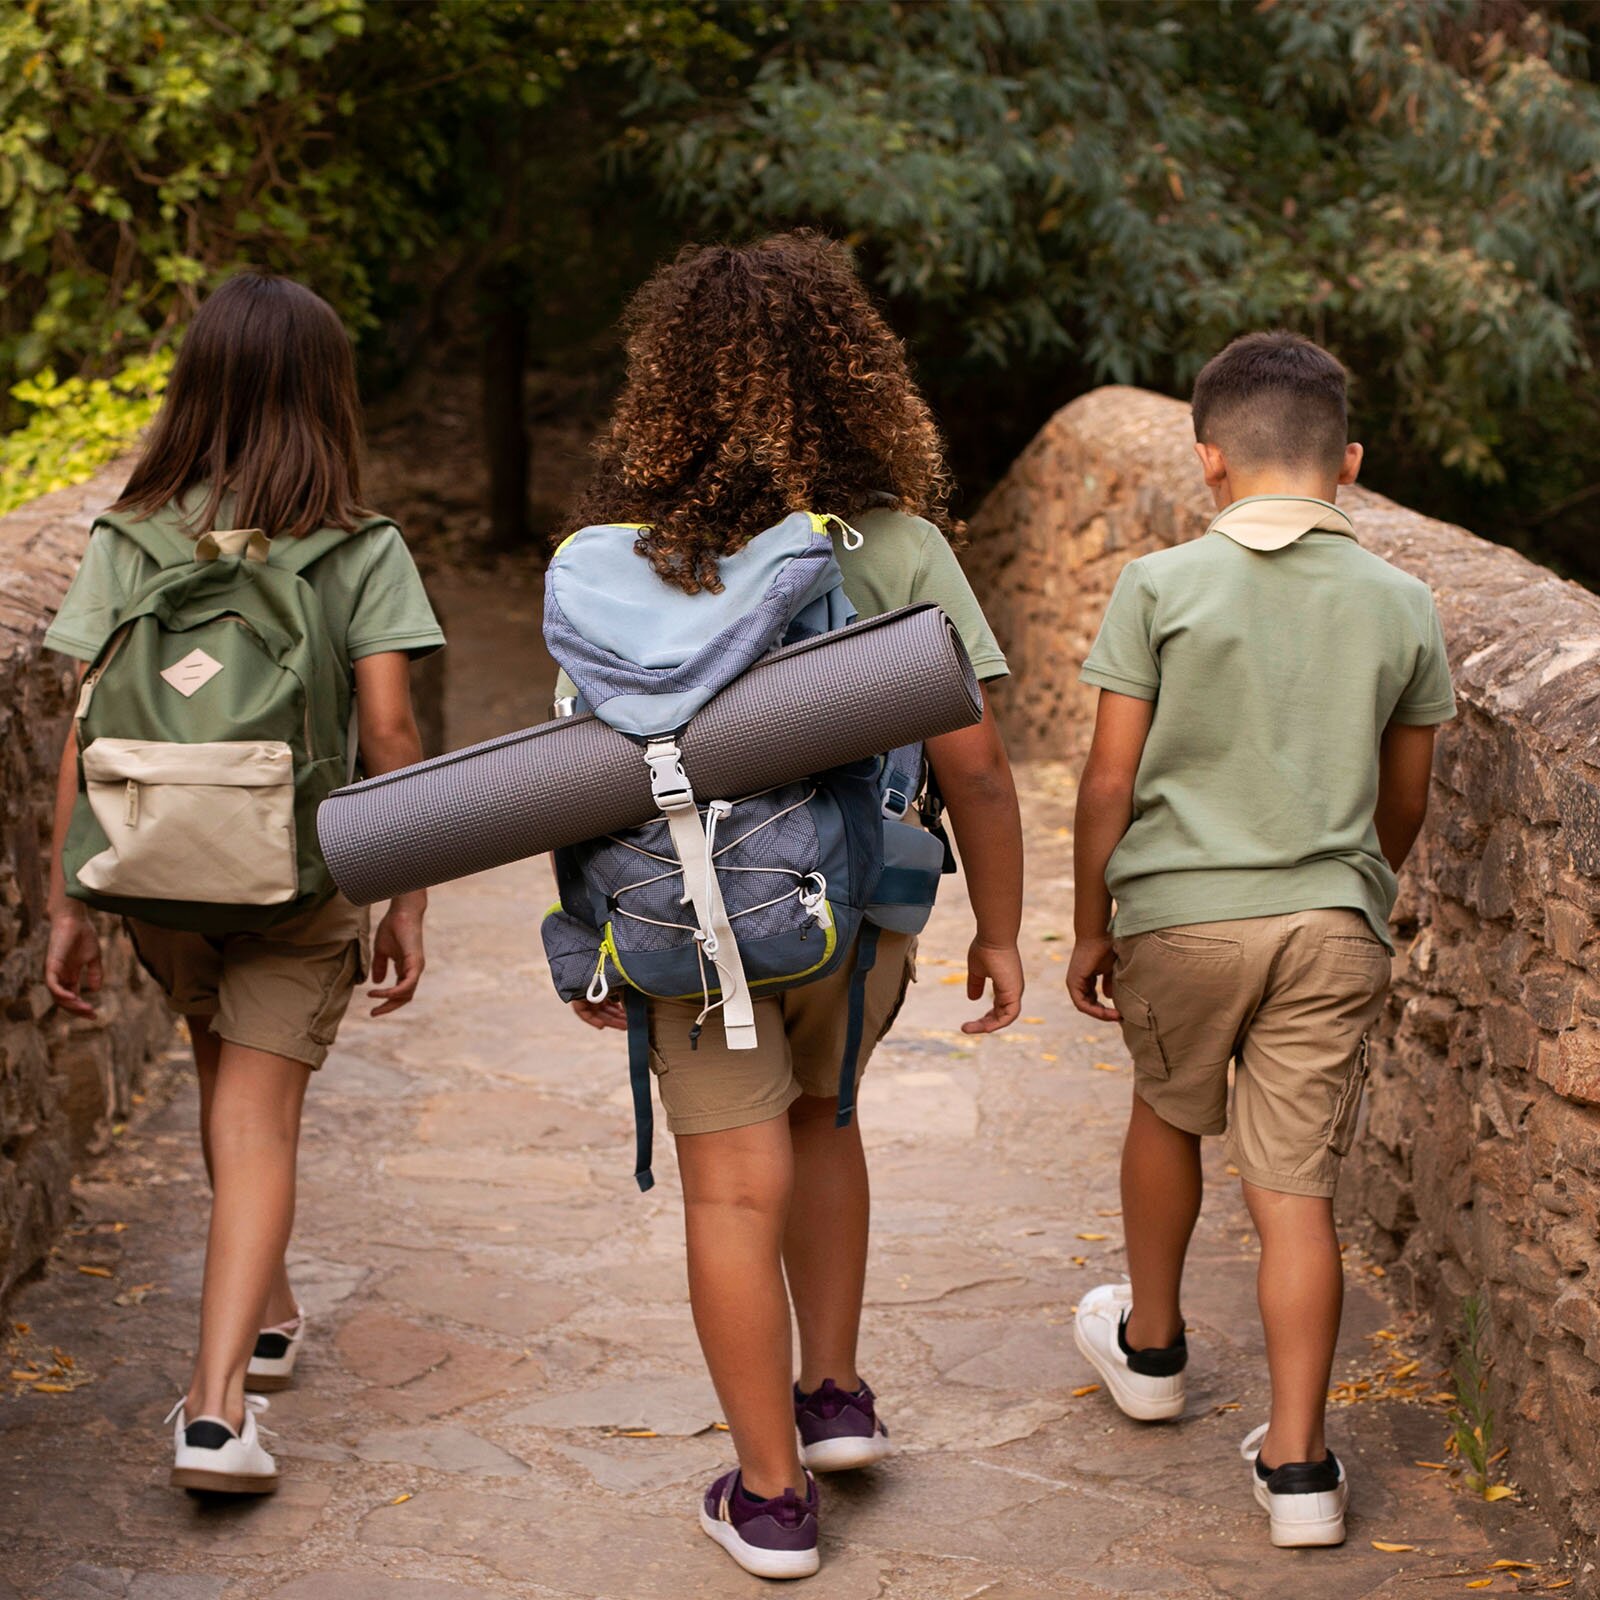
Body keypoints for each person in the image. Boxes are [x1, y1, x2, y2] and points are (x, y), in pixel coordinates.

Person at [561, 233, 1025, 1579]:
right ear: (853, 377)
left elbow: (583, 770)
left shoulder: (614, 561)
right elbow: (977, 767)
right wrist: (996, 929)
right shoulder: (898, 544)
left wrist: (597, 943)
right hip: (862, 912)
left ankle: (769, 1499)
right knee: (829, 1126)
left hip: (696, 931)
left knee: (729, 1193)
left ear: (665, 389)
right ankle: (834, 1400)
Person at [42, 272, 444, 1494]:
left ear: (195, 387)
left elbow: (79, 720)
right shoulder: (361, 547)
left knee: (224, 1076)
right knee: (259, 1115)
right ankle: (215, 1410)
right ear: (329, 396)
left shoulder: (130, 536)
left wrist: (68, 899)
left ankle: (265, 1308)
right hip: (297, 877)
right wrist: (408, 893)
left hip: (158, 876)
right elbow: (390, 732)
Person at [1065, 331, 1454, 1548]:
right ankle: (1300, 1469)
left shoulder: (1161, 585)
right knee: (1296, 1193)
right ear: (1347, 460)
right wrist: (1353, 883)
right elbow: (1407, 795)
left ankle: (1153, 1349)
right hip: (1332, 918)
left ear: (1207, 461)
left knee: (1167, 1109)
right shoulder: (1402, 600)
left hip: (1181, 916)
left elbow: (1105, 782)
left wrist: (1090, 923)